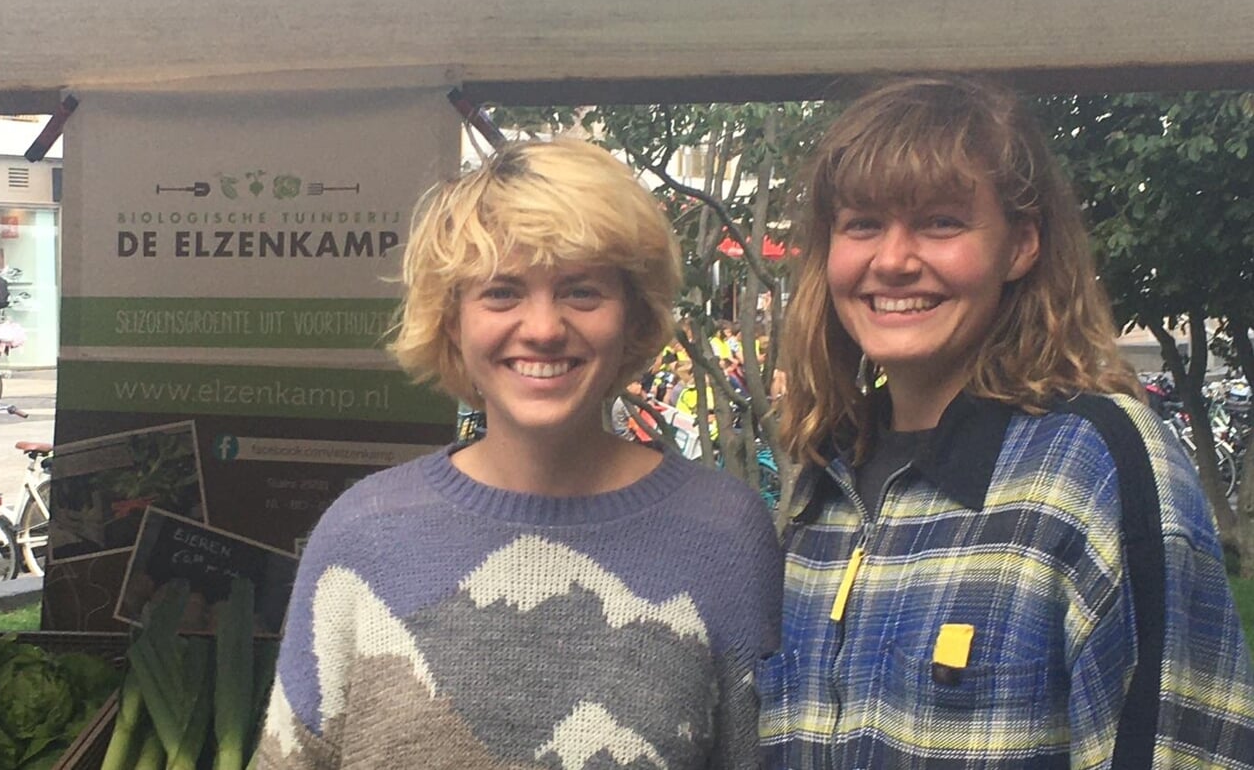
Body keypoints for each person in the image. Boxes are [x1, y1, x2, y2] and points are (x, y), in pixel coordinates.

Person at [762, 76, 1254, 768]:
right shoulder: (823, 487)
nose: (893, 260)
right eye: (862, 224)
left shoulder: (1098, 467)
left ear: (1020, 246)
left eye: (941, 222)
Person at [255, 138, 782, 769]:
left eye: (581, 291)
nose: (542, 327)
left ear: (634, 317)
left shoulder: (723, 536)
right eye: (502, 292)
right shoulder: (363, 535)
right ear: (452, 320)